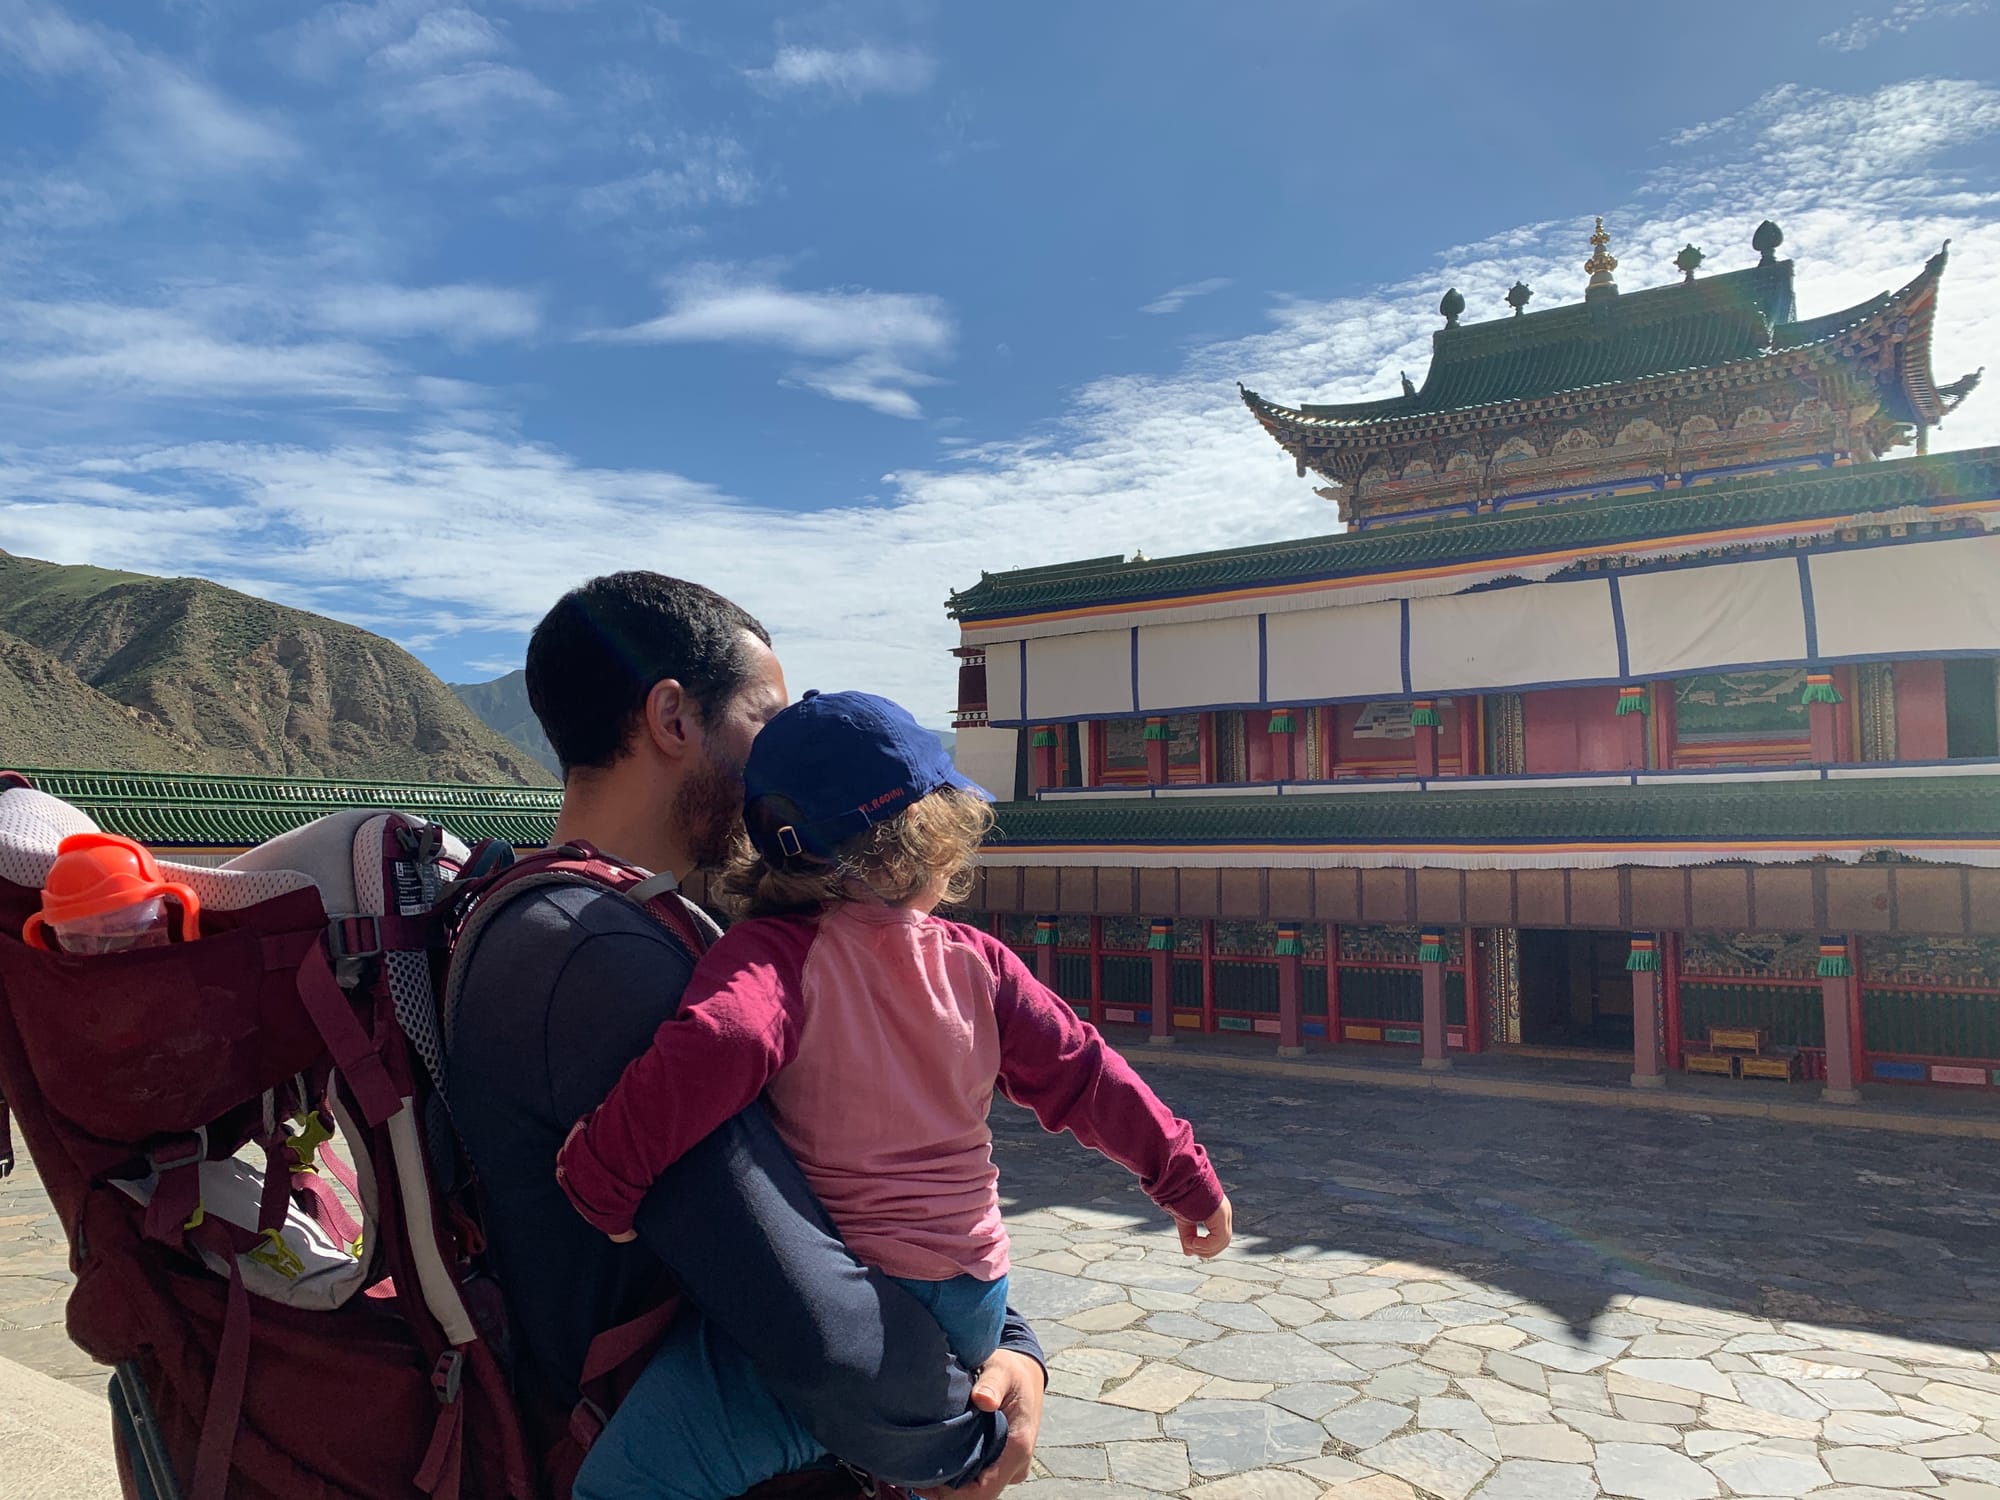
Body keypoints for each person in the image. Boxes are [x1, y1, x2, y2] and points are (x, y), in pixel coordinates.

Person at [447, 574, 1047, 1499]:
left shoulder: (655, 923)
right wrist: (967, 1433)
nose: (786, 760)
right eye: (767, 721)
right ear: (673, 719)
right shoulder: (595, 953)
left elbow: (860, 1183)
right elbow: (818, 1315)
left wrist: (1013, 1347)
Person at [556, 689, 1233, 1500]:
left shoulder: (774, 955)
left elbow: (725, 1041)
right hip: (976, 1296)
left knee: (621, 1484)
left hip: (852, 1314)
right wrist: (1182, 1174)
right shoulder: (978, 962)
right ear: (928, 837)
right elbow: (1084, 1071)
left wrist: (603, 1174)